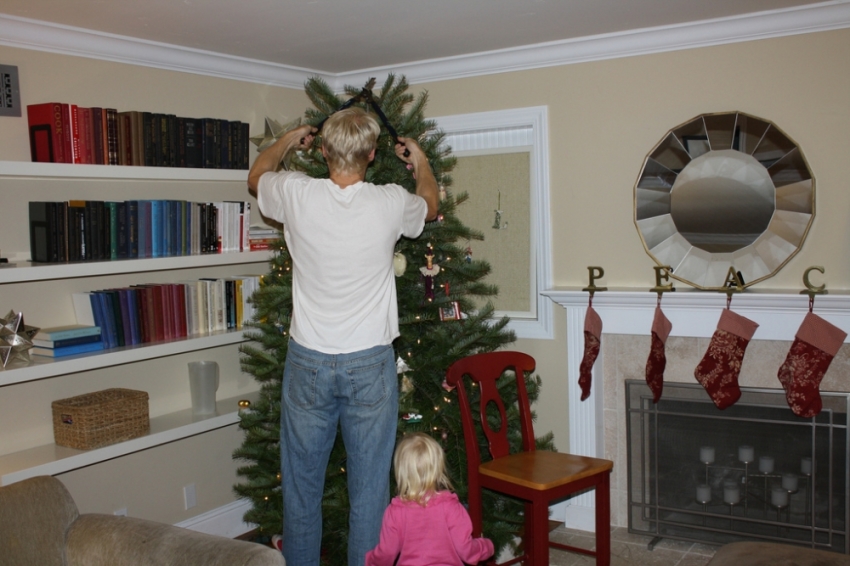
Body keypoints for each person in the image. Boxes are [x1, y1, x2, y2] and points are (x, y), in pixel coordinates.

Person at [247, 107, 439, 566]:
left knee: (301, 491)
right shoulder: (391, 201)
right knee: (370, 495)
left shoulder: (294, 192)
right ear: (372, 154)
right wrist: (422, 161)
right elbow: (431, 206)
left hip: (308, 363)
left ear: (326, 150)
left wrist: (290, 139)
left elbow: (256, 177)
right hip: (369, 366)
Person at [365, 433, 495, 566]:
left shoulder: (395, 512)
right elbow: (467, 551)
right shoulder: (451, 507)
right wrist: (487, 546)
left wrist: (371, 561)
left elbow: (386, 554)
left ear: (401, 472)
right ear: (438, 469)